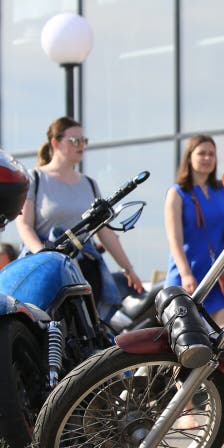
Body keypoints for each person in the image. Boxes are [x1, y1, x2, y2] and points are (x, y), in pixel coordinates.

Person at [15, 117, 143, 319]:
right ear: (55, 143)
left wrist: (128, 269)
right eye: (74, 141)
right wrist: (45, 256)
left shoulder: (89, 184)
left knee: (87, 331)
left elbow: (105, 231)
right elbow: (23, 225)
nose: (81, 145)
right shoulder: (35, 178)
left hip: (84, 270)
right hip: (43, 271)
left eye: (84, 141)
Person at [164, 135, 224, 354]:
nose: (207, 158)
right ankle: (184, 387)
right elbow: (174, 240)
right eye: (202, 153)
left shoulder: (220, 191)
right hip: (187, 278)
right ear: (189, 157)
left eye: (211, 154)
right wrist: (186, 274)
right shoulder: (177, 193)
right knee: (187, 350)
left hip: (219, 279)